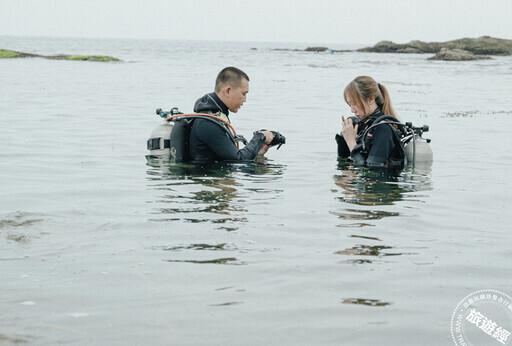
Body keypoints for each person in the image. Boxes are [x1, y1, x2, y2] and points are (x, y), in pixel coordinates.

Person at [188, 67, 274, 162]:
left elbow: (232, 156)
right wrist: (260, 137)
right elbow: (238, 160)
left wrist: (256, 152)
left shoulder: (215, 117)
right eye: (243, 94)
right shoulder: (208, 123)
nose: (245, 100)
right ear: (228, 91)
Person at [336, 76, 405, 168]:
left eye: (355, 103)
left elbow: (373, 171)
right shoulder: (365, 126)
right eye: (350, 105)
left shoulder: (383, 129)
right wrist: (343, 138)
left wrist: (351, 141)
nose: (352, 110)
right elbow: (343, 160)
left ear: (371, 99)